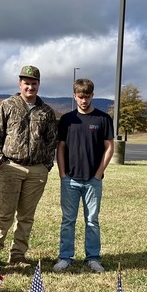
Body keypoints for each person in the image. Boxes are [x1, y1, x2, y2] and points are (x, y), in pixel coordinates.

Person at [0, 65, 57, 266]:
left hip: (36, 171)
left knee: (26, 216)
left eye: (34, 83)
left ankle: (17, 255)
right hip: (10, 166)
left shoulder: (46, 112)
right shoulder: (7, 105)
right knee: (4, 213)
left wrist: (46, 165)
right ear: (20, 83)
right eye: (26, 83)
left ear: (39, 85)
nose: (30, 87)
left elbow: (52, 140)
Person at [53, 78, 114, 273]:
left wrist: (98, 174)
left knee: (92, 220)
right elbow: (60, 147)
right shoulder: (67, 120)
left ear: (92, 96)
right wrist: (62, 173)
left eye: (87, 97)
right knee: (68, 220)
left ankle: (93, 257)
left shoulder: (103, 119)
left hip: (92, 180)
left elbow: (109, 147)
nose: (84, 101)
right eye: (80, 97)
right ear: (74, 96)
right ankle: (65, 257)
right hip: (70, 179)